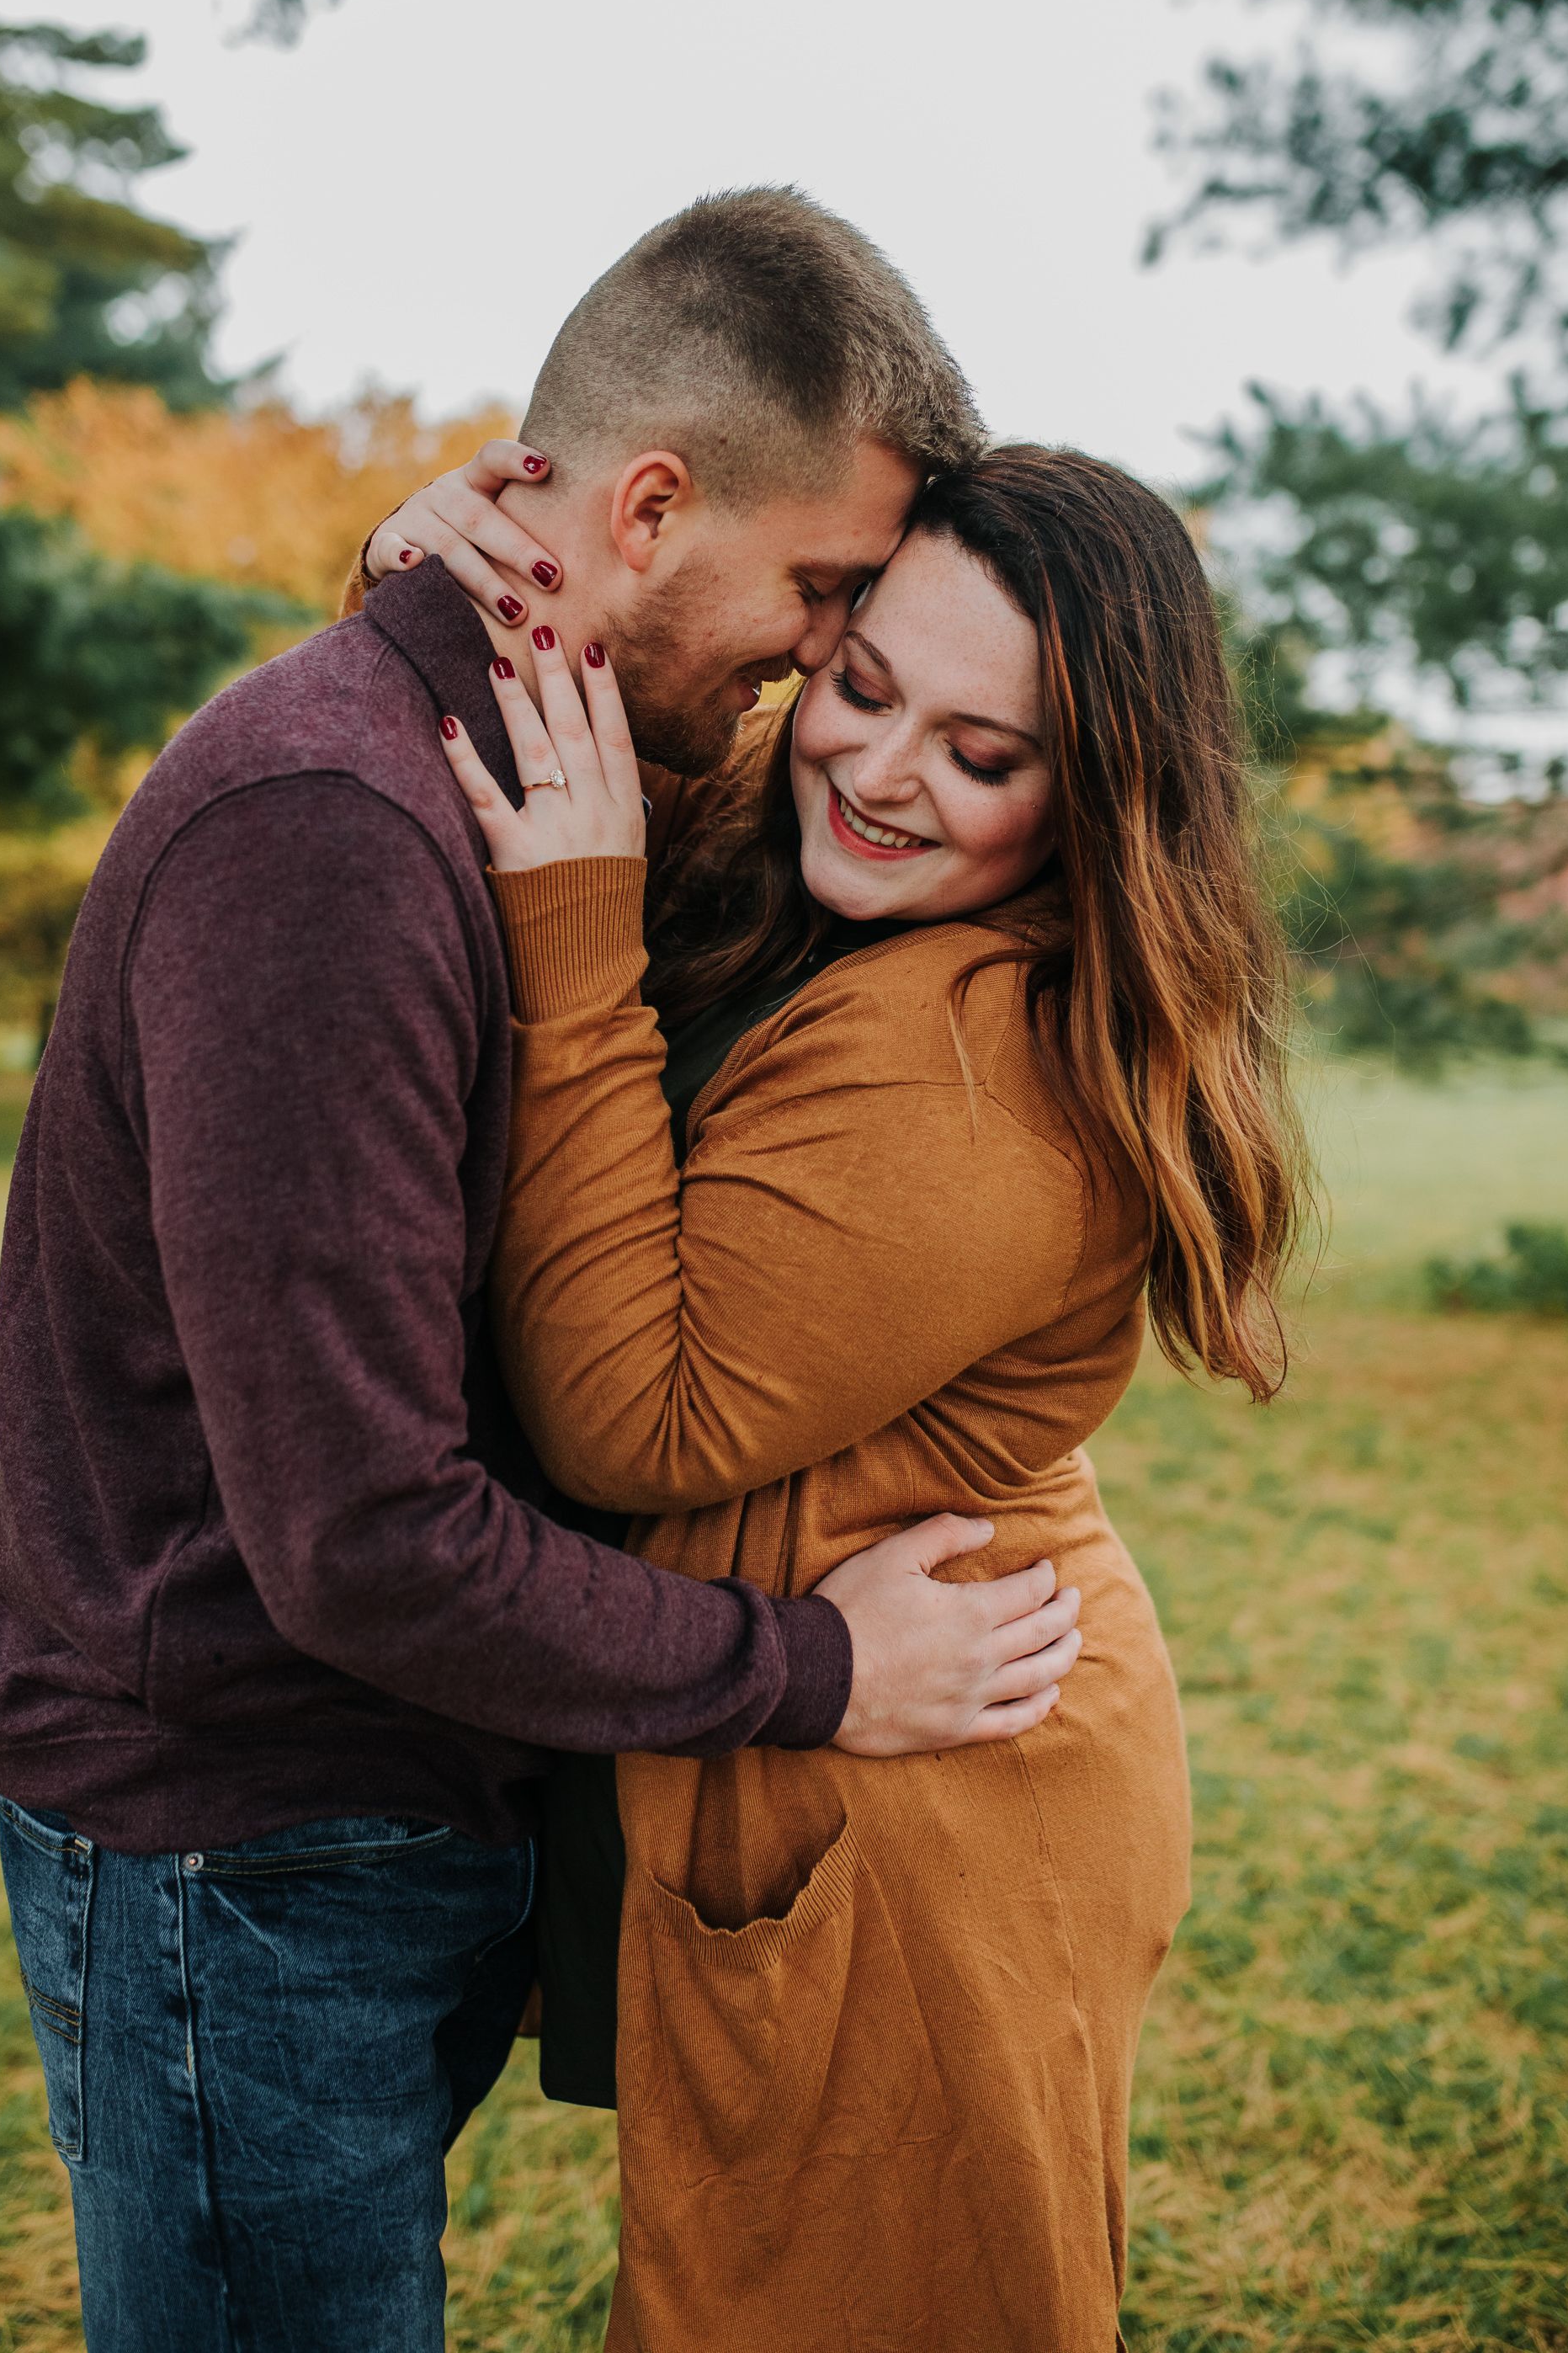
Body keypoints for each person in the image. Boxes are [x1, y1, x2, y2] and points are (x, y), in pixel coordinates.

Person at [0, 189, 1084, 2353]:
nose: (813, 677)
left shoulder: (541, 784)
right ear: (650, 503)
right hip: (245, 1847)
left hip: (407, 1797)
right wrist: (815, 1674)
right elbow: (362, 1539)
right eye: (826, 599)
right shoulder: (334, 832)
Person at [397, 439, 1310, 2350]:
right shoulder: (844, 907)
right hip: (869, 1724)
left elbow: (630, 1421)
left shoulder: (976, 1057)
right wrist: (434, 602)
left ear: (1099, 801)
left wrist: (571, 933)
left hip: (936, 1804)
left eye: (984, 757)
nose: (881, 773)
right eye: (863, 685)